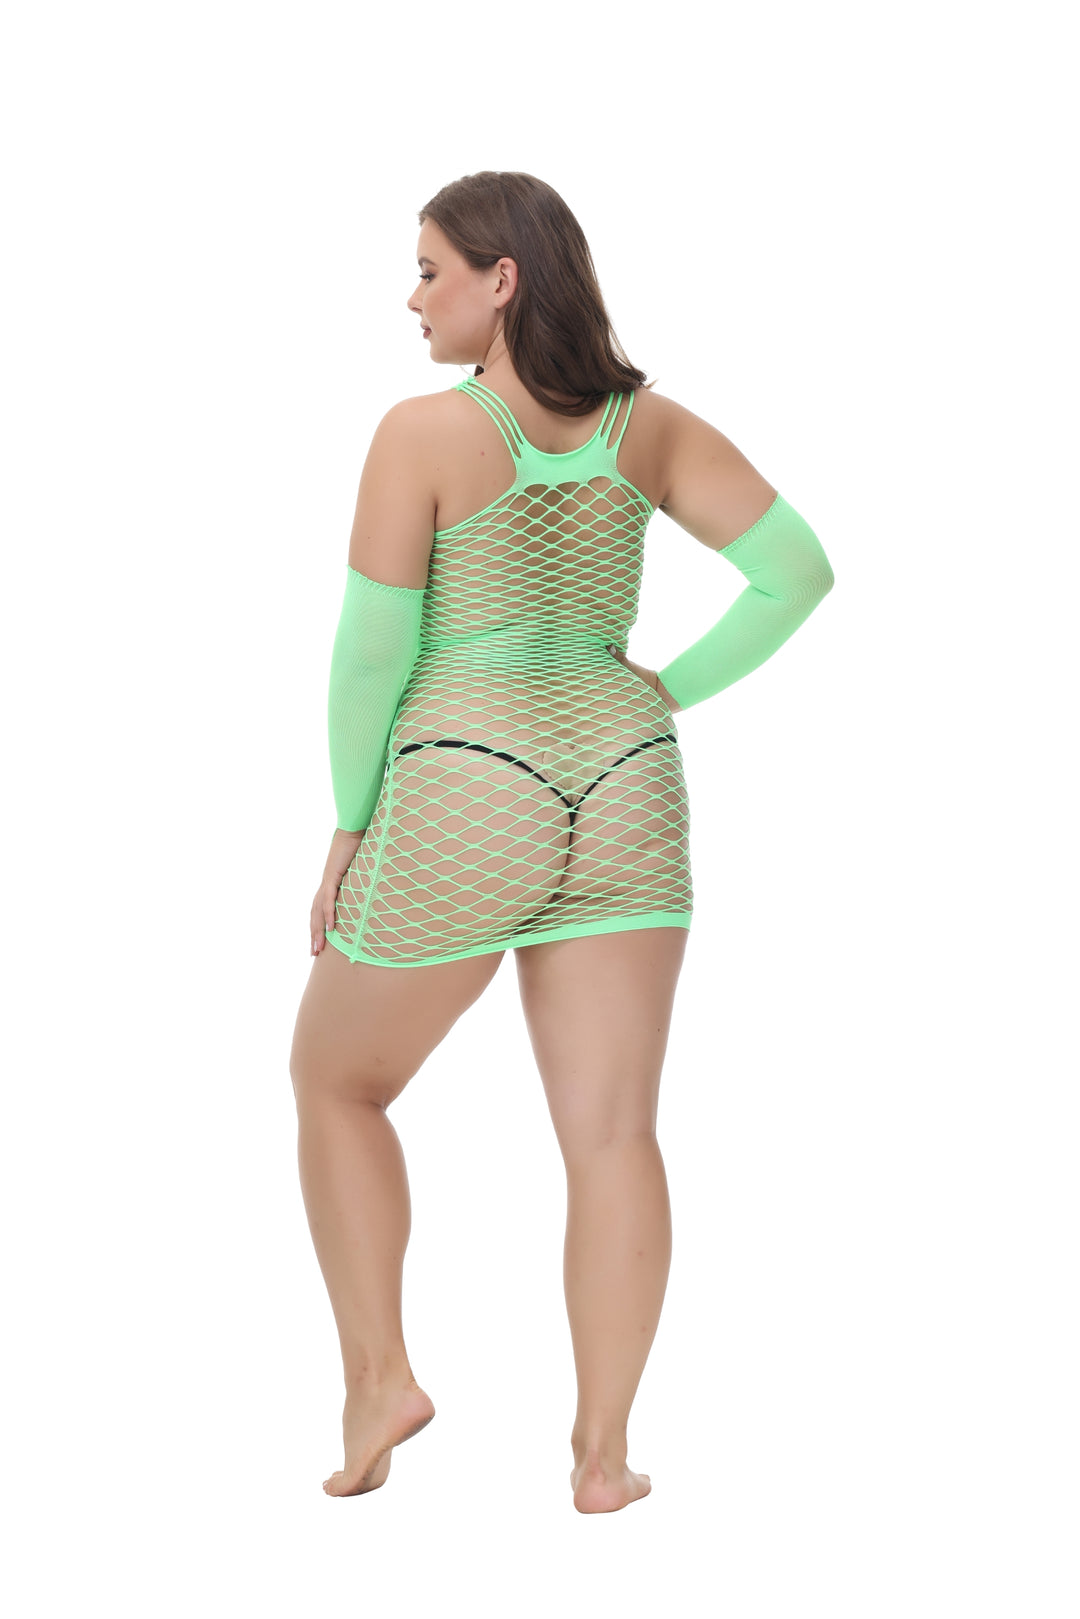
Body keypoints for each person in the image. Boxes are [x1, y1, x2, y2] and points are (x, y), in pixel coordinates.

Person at [288, 170, 835, 1514]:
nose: (412, 298)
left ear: (502, 278)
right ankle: (603, 1458)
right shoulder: (655, 430)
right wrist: (663, 691)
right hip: (629, 776)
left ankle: (379, 1380)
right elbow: (797, 573)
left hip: (467, 779)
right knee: (613, 1134)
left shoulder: (424, 433)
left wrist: (351, 821)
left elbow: (370, 657)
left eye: (430, 270)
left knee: (335, 1081)